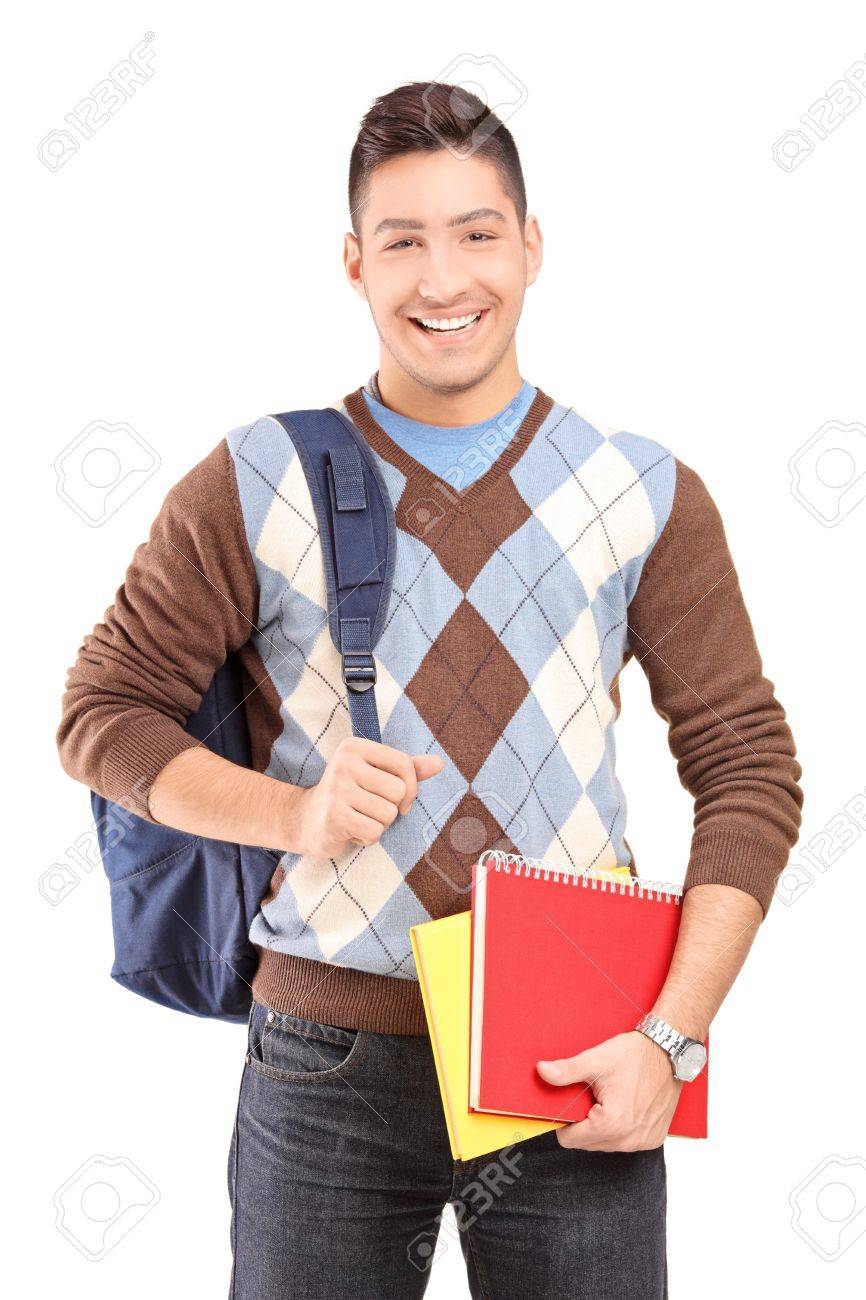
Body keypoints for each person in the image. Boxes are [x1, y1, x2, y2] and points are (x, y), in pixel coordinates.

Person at [57, 81, 803, 1299]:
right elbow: (102, 712)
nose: (443, 277)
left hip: (577, 1048)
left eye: (476, 232)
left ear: (531, 247)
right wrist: (294, 813)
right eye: (402, 240)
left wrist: (669, 1037)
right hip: (324, 1063)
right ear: (354, 263)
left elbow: (747, 768)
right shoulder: (257, 475)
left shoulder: (642, 490)